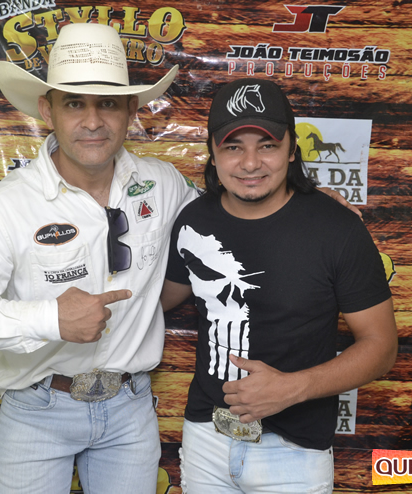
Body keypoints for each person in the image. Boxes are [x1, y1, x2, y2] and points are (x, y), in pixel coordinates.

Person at [0, 23, 197, 494]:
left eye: (108, 104)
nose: (93, 121)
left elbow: (223, 221)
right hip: (37, 412)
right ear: (47, 109)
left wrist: (303, 205)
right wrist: (50, 318)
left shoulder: (165, 184)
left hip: (130, 410)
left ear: (131, 109)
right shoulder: (4, 205)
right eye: (74, 103)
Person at [161, 78, 398, 493]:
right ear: (213, 153)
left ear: (291, 149)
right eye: (233, 147)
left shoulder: (337, 229)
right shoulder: (193, 221)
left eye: (267, 145)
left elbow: (381, 347)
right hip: (206, 438)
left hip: (293, 454)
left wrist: (292, 388)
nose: (250, 163)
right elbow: (158, 298)